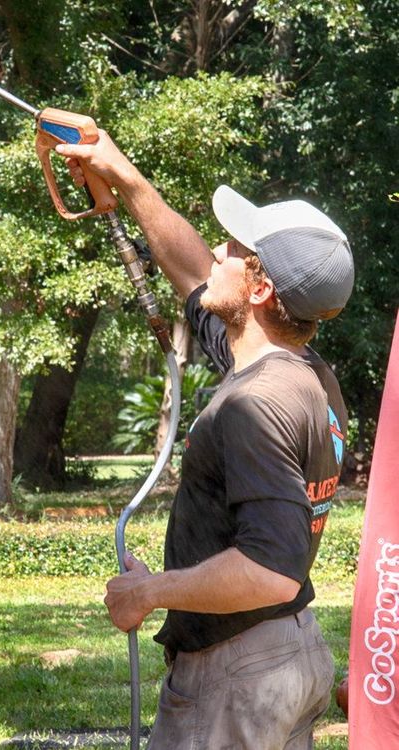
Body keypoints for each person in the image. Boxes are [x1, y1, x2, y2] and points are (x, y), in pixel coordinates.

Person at [56, 131, 354, 749]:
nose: (217, 252)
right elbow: (193, 271)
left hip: (236, 676)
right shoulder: (302, 374)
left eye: (235, 250)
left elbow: (271, 568)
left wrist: (149, 592)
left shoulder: (255, 403)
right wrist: (122, 172)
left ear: (261, 290)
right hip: (287, 650)